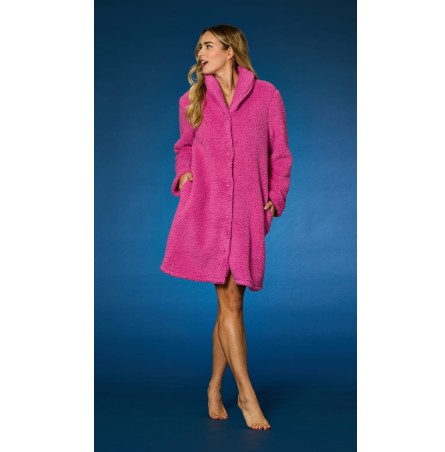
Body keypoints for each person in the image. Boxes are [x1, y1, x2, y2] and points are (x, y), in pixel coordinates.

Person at [160, 24, 293, 430]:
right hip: (209, 210)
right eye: (198, 47)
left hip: (248, 212)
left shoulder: (267, 96)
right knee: (231, 302)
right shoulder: (192, 99)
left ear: (230, 51)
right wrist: (184, 175)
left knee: (230, 304)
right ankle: (246, 393)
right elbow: (183, 147)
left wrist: (276, 196)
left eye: (208, 46)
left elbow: (280, 154)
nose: (200, 53)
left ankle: (214, 386)